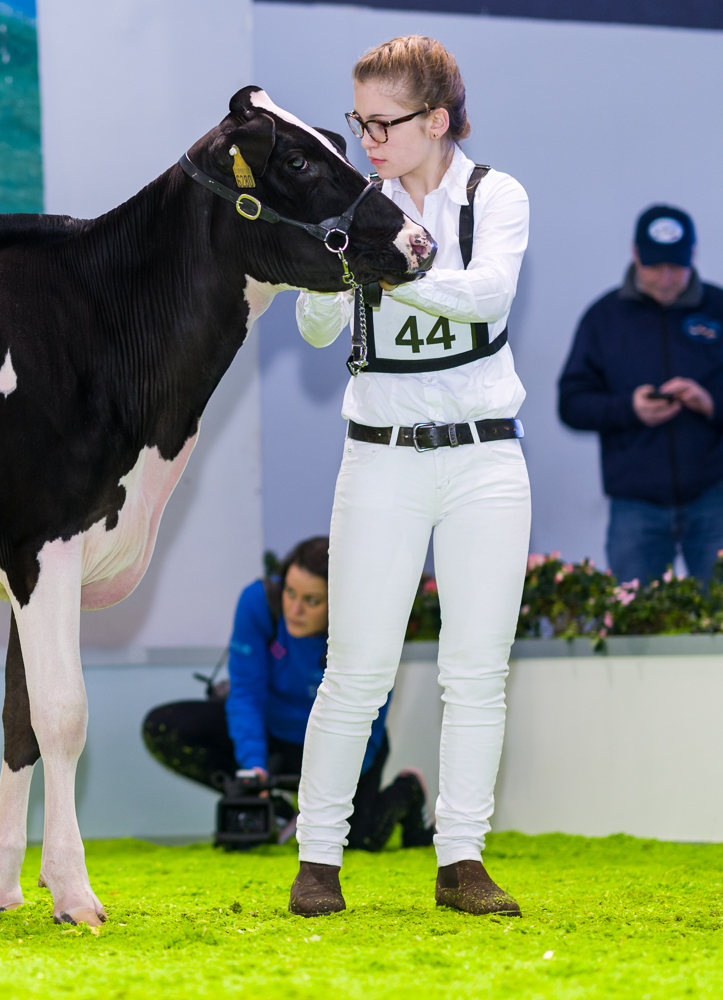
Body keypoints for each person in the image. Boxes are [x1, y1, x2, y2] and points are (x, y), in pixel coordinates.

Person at [290, 36, 530, 917]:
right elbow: (316, 330)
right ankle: (317, 860)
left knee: (476, 672)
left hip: (485, 458)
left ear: (436, 120)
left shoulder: (495, 195)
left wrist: (387, 264)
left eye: (382, 123)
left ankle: (460, 859)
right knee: (355, 670)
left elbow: (486, 297)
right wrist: (330, 264)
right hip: (379, 458)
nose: (367, 141)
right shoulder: (354, 206)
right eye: (358, 123)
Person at [141, 537, 432, 853]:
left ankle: (409, 789)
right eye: (290, 592)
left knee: (358, 842)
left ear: (340, 604)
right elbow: (246, 693)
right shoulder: (259, 602)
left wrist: (325, 799)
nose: (294, 609)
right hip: (272, 735)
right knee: (164, 726)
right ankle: (276, 810)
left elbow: (369, 724)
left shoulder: (369, 633)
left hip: (342, 744)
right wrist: (253, 770)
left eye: (311, 601)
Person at [558, 206, 723, 585]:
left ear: (693, 254)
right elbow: (571, 404)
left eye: (675, 266)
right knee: (633, 613)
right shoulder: (604, 317)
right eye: (654, 266)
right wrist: (628, 408)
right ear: (635, 254)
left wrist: (711, 402)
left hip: (714, 496)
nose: (665, 278)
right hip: (635, 505)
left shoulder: (718, 308)